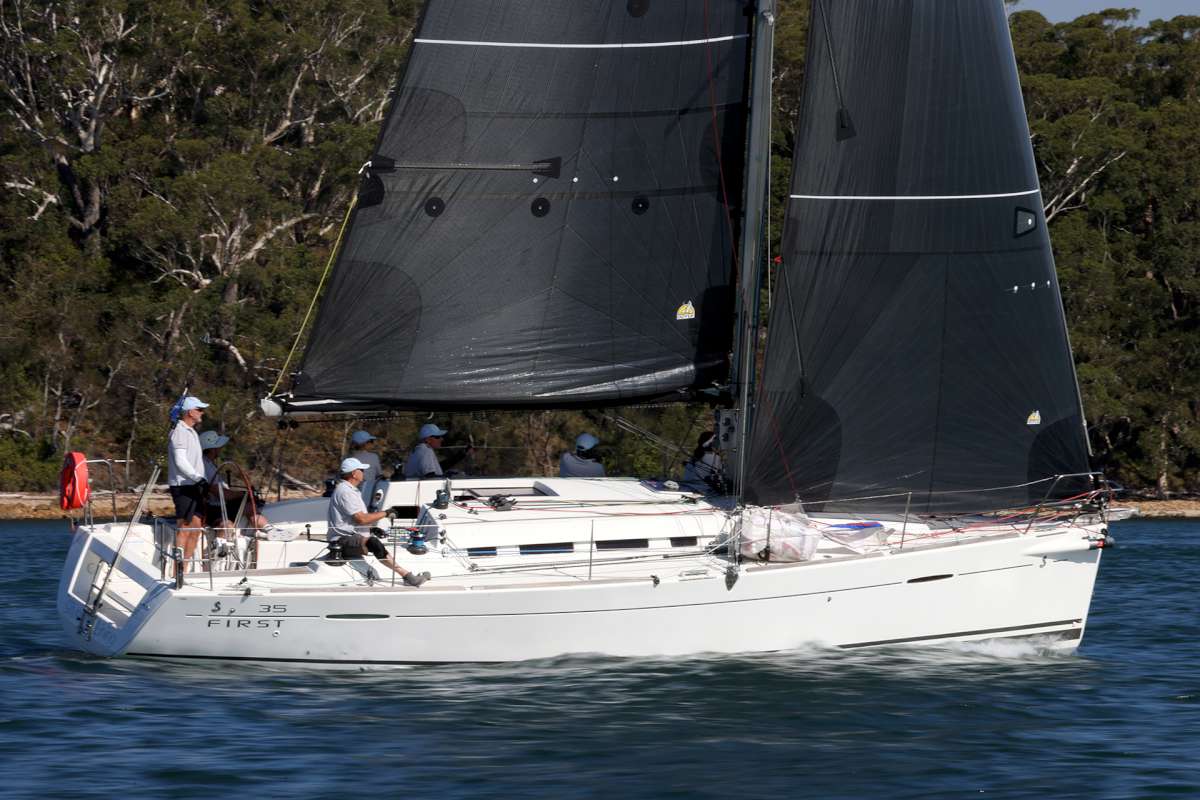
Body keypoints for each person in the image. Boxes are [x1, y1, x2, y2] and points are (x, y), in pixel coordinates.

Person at [328, 457, 429, 587]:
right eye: (361, 470)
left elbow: (351, 520)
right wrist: (386, 513)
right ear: (354, 473)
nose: (363, 472)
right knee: (374, 543)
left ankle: (405, 575)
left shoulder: (347, 489)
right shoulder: (346, 492)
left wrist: (371, 529)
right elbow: (361, 518)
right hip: (342, 539)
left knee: (373, 540)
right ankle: (407, 577)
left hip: (348, 536)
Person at [167, 396, 208, 573]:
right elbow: (180, 461)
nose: (202, 413)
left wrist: (200, 480)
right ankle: (177, 573)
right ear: (190, 412)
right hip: (183, 486)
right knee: (184, 528)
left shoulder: (191, 432)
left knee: (196, 528)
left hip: (194, 485)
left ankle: (185, 568)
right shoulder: (179, 431)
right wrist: (197, 478)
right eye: (200, 409)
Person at [199, 429, 268, 533]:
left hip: (222, 505)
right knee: (230, 522)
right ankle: (266, 529)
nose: (221, 448)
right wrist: (243, 494)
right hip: (214, 508)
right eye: (219, 446)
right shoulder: (205, 466)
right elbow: (221, 493)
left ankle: (268, 529)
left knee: (249, 507)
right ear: (213, 449)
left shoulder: (208, 463)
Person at [403, 423, 472, 479]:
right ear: (428, 439)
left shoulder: (420, 449)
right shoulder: (425, 451)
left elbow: (438, 467)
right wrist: (449, 476)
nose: (441, 439)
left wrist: (462, 454)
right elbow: (430, 476)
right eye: (437, 437)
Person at [349, 429, 383, 507]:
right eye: (371, 441)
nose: (372, 444)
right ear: (365, 444)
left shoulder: (346, 458)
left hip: (350, 498)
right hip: (368, 497)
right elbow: (379, 476)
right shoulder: (374, 457)